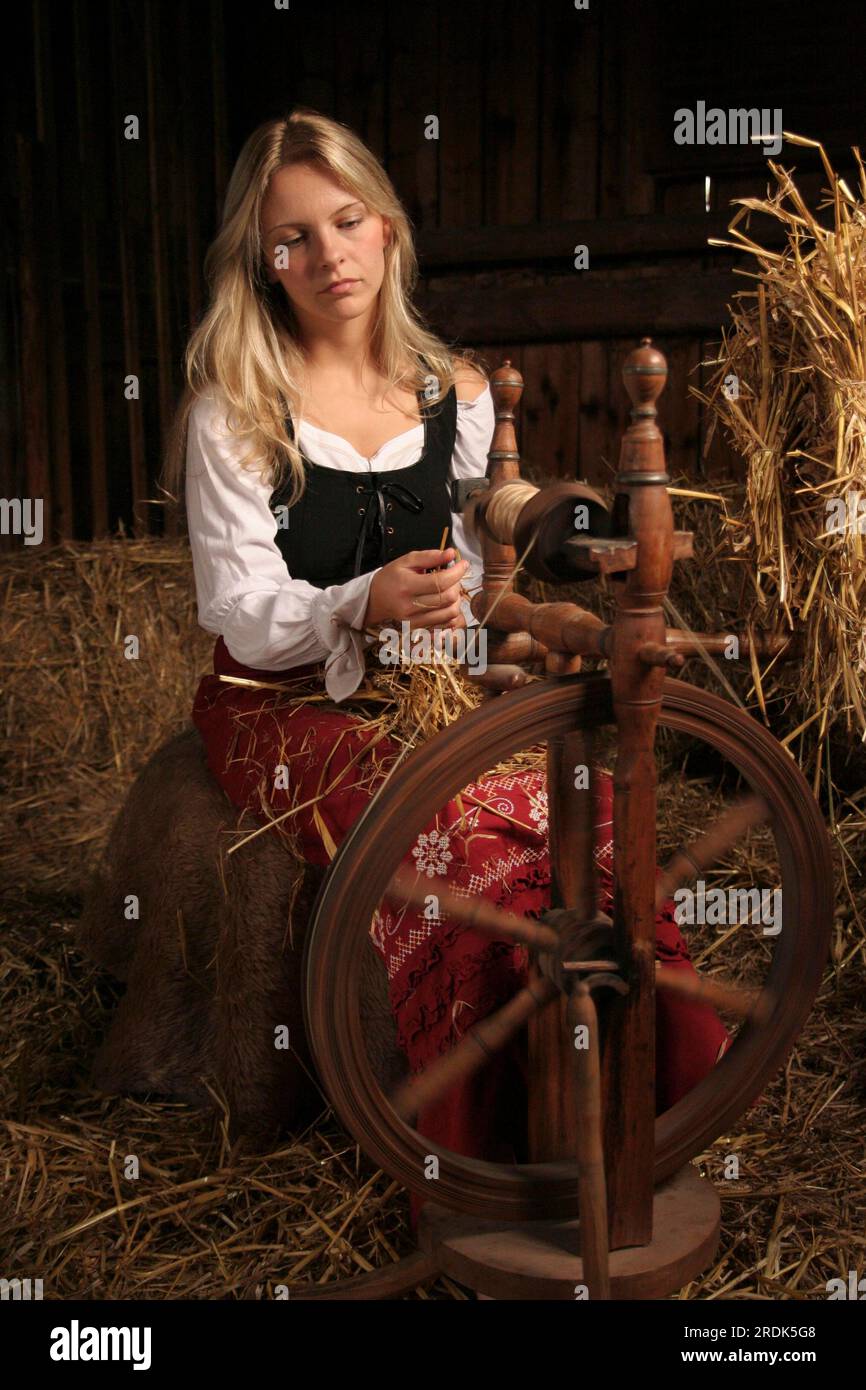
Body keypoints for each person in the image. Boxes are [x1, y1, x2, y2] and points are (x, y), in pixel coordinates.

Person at [162, 108, 729, 1217]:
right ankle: (488, 1151)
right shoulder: (232, 411)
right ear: (260, 261)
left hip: (424, 676)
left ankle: (632, 1099)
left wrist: (479, 618)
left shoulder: (453, 394)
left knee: (584, 822)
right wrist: (356, 601)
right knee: (454, 846)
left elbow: (475, 573)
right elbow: (234, 611)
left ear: (385, 229)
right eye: (291, 239)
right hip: (278, 698)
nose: (326, 257)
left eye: (345, 221)